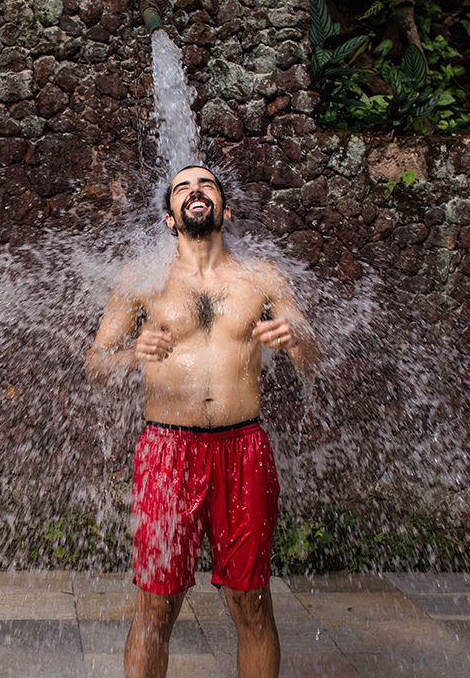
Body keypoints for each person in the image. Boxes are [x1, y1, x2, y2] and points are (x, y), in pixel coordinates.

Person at [85, 165, 318, 678]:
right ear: (170, 217)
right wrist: (132, 354)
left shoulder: (262, 278)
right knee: (155, 609)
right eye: (182, 187)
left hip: (244, 451)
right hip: (168, 452)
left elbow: (312, 359)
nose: (195, 190)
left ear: (224, 209)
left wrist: (297, 340)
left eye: (205, 184)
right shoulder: (142, 281)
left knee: (251, 602)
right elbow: (96, 364)